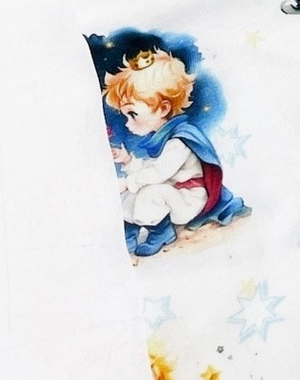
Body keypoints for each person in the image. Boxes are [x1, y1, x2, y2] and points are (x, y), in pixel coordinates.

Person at [102, 47, 246, 256]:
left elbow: (158, 173)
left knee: (149, 193)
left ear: (163, 109)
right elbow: (152, 169)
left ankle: (161, 231)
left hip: (189, 199)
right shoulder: (165, 139)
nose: (127, 123)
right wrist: (128, 161)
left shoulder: (179, 142)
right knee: (135, 191)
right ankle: (131, 230)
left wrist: (128, 182)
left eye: (132, 114)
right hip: (174, 192)